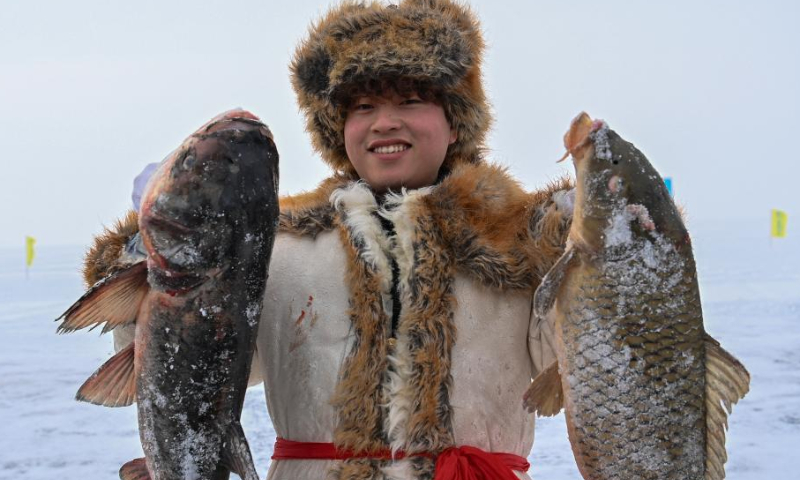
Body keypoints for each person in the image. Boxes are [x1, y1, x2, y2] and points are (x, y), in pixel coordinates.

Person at [83, 0, 575, 478]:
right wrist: (157, 252)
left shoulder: (519, 245)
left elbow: (572, 354)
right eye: (363, 106)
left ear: (454, 123)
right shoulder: (281, 249)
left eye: (411, 100)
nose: (385, 121)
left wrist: (597, 256)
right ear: (339, 129)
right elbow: (189, 366)